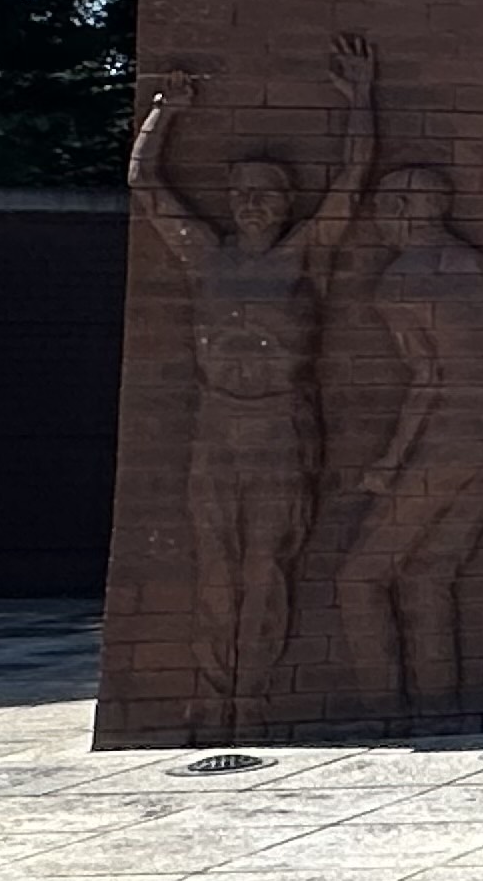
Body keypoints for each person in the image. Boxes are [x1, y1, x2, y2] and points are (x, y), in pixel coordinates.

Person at [128, 37, 380, 729]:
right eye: (241, 195)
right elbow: (145, 186)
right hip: (218, 427)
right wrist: (165, 112)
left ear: (287, 201)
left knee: (267, 560)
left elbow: (352, 183)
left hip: (280, 427)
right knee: (216, 560)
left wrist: (360, 101)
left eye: (266, 195)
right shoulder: (206, 258)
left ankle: (254, 691)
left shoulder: (303, 254)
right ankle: (214, 690)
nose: (252, 205)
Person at [338, 166, 483, 715]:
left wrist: (391, 460)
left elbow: (428, 378)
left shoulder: (401, 280)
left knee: (359, 576)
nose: (379, 220)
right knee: (429, 574)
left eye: (384, 207)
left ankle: (380, 713)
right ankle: (439, 710)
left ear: (403, 210)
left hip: (450, 432)